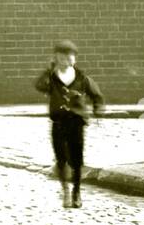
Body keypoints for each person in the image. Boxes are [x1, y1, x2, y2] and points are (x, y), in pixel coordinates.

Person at [34, 40, 104, 209]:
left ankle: (76, 191)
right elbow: (39, 85)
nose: (65, 59)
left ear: (75, 59)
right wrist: (49, 69)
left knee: (77, 160)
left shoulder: (82, 78)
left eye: (69, 56)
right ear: (56, 58)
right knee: (61, 159)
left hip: (76, 123)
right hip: (58, 123)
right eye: (61, 56)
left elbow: (97, 95)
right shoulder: (51, 77)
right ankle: (65, 189)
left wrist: (97, 109)